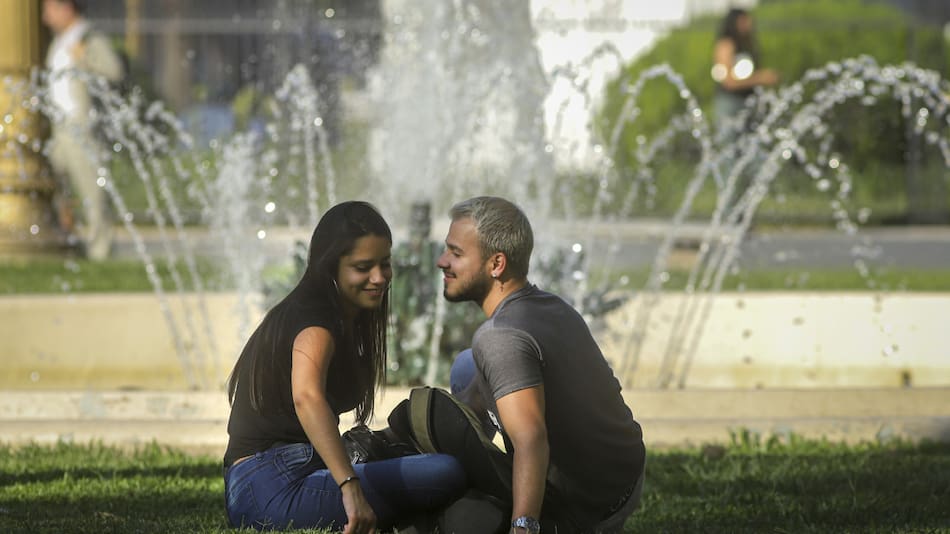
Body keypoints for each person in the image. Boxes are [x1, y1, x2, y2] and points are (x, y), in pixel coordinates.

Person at [223, 201, 466, 532]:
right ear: (330, 267)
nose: (379, 278)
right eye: (363, 267)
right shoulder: (316, 321)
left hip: (289, 472)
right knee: (444, 472)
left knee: (428, 462)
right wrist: (350, 488)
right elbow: (306, 397)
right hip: (270, 488)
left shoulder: (337, 315)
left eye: (385, 264)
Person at [437, 196, 646, 533]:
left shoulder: (499, 336)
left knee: (463, 517)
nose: (441, 261)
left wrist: (524, 525)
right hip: (626, 477)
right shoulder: (550, 306)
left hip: (589, 504)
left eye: (456, 253)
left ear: (496, 264)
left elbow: (531, 439)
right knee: (468, 366)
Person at [42, 0, 124, 260]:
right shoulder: (58, 41)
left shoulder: (88, 38)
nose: (45, 17)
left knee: (92, 190)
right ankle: (66, 242)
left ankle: (101, 250)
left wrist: (84, 57)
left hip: (81, 126)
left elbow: (114, 72)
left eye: (50, 9)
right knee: (50, 185)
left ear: (67, 8)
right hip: (58, 127)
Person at [711, 7, 779, 140]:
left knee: (753, 146)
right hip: (731, 103)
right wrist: (760, 78)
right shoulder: (726, 45)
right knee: (730, 149)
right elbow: (729, 82)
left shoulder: (746, 44)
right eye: (744, 21)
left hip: (748, 102)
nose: (749, 24)